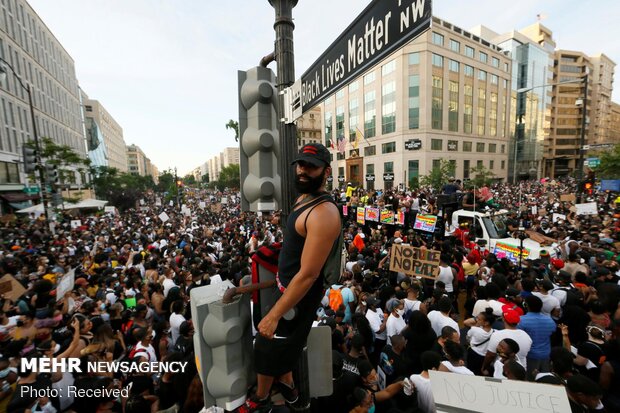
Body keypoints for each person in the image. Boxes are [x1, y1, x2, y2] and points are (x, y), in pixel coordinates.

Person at [241, 143, 341, 412]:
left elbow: (308, 274)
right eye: (300, 164)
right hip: (285, 288)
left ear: (326, 171)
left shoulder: (324, 213)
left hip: (298, 298)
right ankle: (287, 384)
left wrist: (274, 314)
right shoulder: (303, 200)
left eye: (311, 166)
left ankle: (261, 398)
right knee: (274, 345)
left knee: (266, 345)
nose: (302, 171)